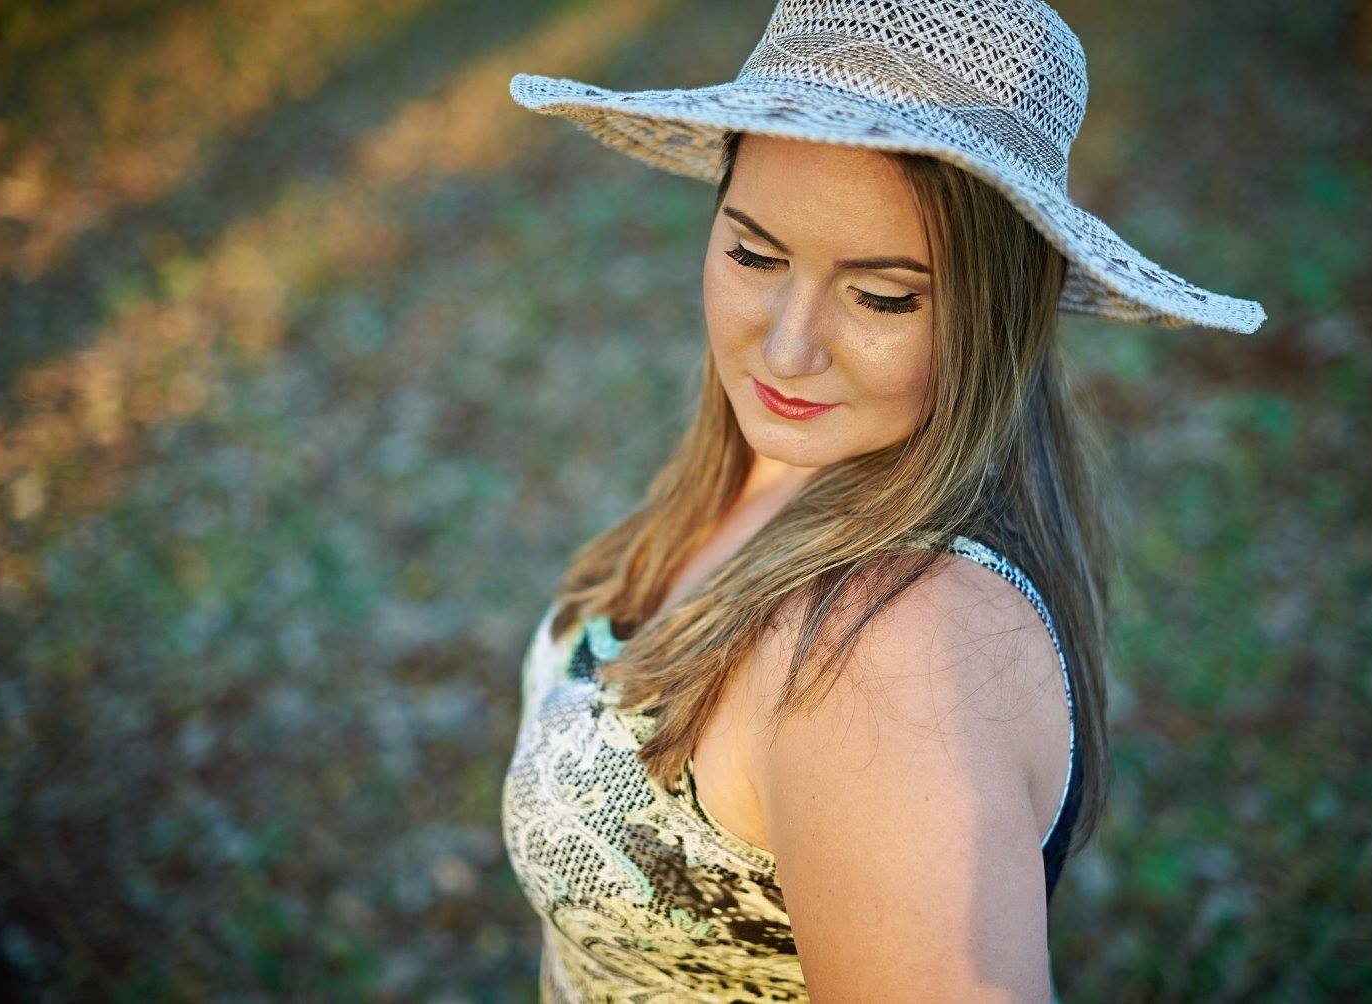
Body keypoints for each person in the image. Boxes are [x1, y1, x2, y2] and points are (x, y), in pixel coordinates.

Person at [499, 2, 1266, 1000]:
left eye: (883, 296)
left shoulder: (884, 657)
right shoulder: (780, 469)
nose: (787, 350)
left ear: (997, 314)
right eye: (753, 254)